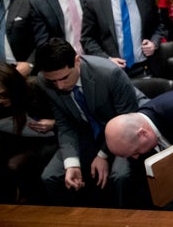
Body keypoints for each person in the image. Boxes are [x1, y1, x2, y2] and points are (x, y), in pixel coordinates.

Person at [36, 38, 146, 208]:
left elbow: (127, 118)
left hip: (125, 130)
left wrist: (103, 155)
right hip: (86, 133)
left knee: (121, 176)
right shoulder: (44, 81)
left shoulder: (109, 73)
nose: (59, 86)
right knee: (50, 176)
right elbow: (65, 125)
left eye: (64, 77)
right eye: (53, 81)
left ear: (77, 61)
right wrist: (71, 163)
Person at [0, 62, 57, 204]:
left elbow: (68, 120)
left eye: (3, 95)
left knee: (15, 163)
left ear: (14, 88)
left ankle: (30, 203)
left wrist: (53, 124)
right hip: (15, 140)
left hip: (46, 141)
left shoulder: (36, 89)